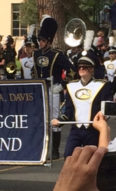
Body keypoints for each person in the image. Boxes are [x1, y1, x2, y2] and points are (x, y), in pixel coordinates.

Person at [51, 52, 112, 158]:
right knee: (68, 156)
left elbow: (107, 107)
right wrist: (59, 121)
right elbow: (68, 111)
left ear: (92, 69)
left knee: (93, 160)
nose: (81, 69)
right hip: (76, 129)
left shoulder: (102, 85)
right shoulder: (71, 86)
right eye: (80, 67)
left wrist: (102, 115)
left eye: (85, 67)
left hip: (93, 129)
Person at [33, 16, 76, 159]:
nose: (40, 42)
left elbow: (71, 71)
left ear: (49, 41)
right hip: (40, 89)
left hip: (54, 90)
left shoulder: (57, 55)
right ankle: (43, 148)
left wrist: (62, 85)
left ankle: (55, 151)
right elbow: (34, 72)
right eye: (39, 40)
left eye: (43, 40)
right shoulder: (36, 54)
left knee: (54, 120)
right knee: (41, 119)